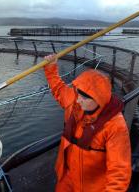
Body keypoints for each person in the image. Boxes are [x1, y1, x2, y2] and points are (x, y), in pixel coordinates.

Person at [43, 54, 132, 192]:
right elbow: (59, 89)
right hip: (66, 180)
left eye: (84, 98)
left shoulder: (115, 126)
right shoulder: (76, 101)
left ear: (98, 99)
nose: (78, 100)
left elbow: (119, 174)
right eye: (78, 94)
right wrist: (50, 67)